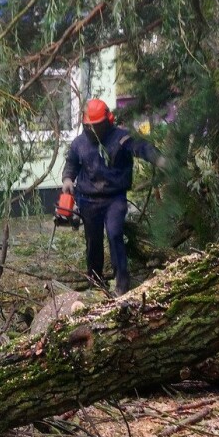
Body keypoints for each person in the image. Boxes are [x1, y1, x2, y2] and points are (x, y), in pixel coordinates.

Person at [62, 99, 164, 296]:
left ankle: (122, 284)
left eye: (96, 126)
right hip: (88, 200)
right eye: (89, 126)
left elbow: (142, 147)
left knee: (115, 233)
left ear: (106, 121)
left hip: (114, 198)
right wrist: (67, 179)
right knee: (93, 242)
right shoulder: (79, 143)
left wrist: (160, 160)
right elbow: (71, 164)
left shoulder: (121, 138)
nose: (92, 130)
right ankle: (96, 283)